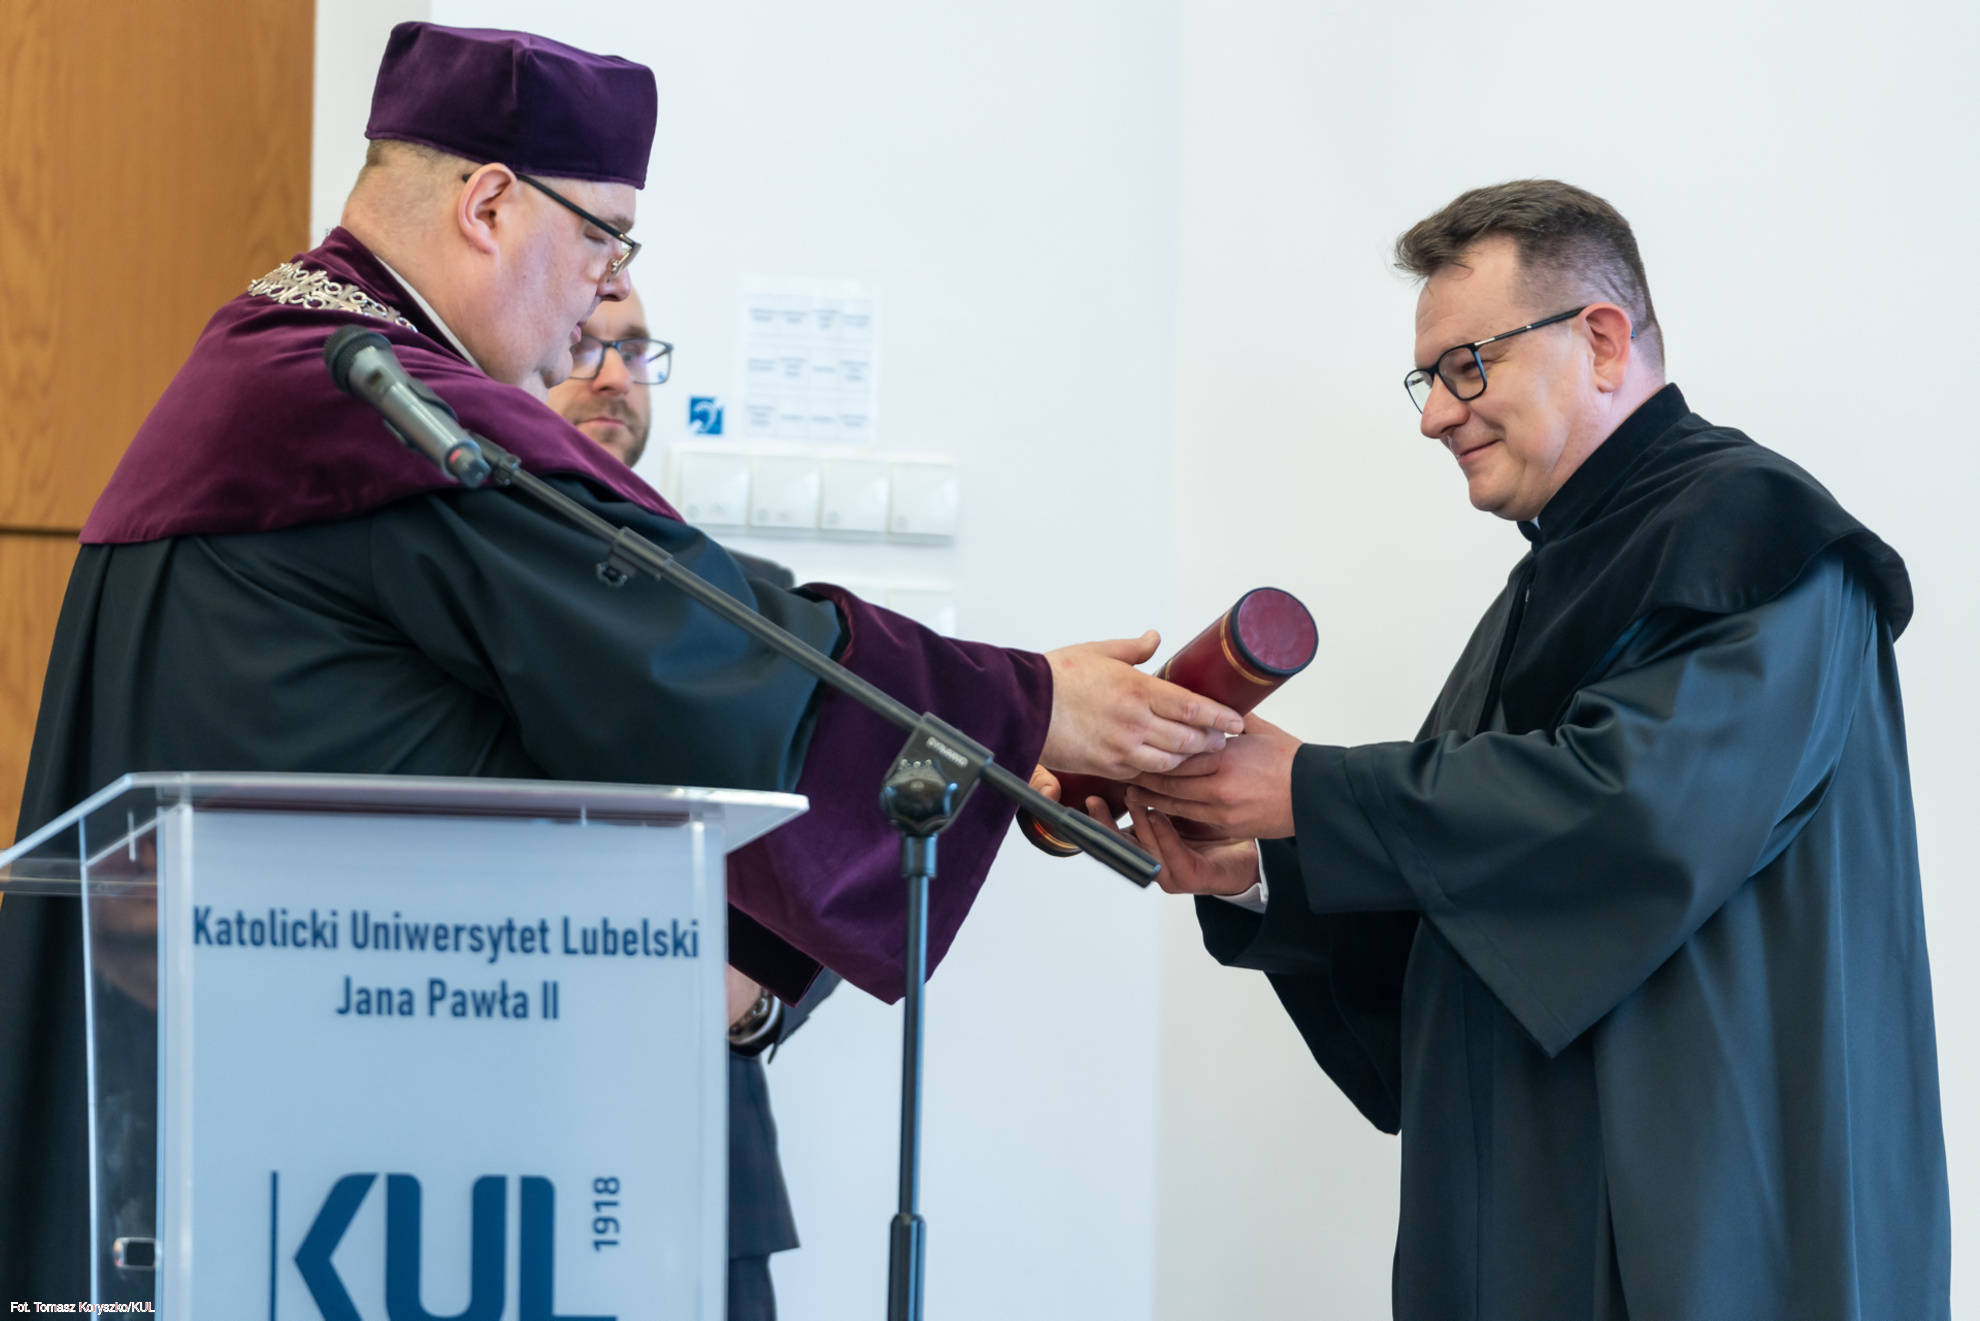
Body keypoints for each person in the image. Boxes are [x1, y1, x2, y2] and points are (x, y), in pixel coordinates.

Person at [0, 23, 1243, 1296]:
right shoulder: (373, 407)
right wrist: (1023, 708)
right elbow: (680, 656)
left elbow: (637, 632)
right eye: (605, 241)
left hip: (276, 1111)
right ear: (489, 204)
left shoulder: (276, 370)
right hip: (365, 1145)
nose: (601, 290)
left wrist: (996, 722)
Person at [1117, 181, 1948, 1319]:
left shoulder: (1764, 542)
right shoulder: (1547, 579)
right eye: (1426, 378)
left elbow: (1637, 816)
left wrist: (1307, 789)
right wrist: (1258, 867)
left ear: (1600, 339)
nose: (1434, 415)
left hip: (1710, 1196)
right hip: (1521, 1207)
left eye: (1467, 366)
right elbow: (1466, 881)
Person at [544, 291, 835, 1320]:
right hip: (491, 1143)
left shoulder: (749, 601)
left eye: (632, 350)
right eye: (582, 343)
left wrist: (755, 997)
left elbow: (826, 828)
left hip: (709, 1163)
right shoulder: (437, 590)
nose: (612, 376)